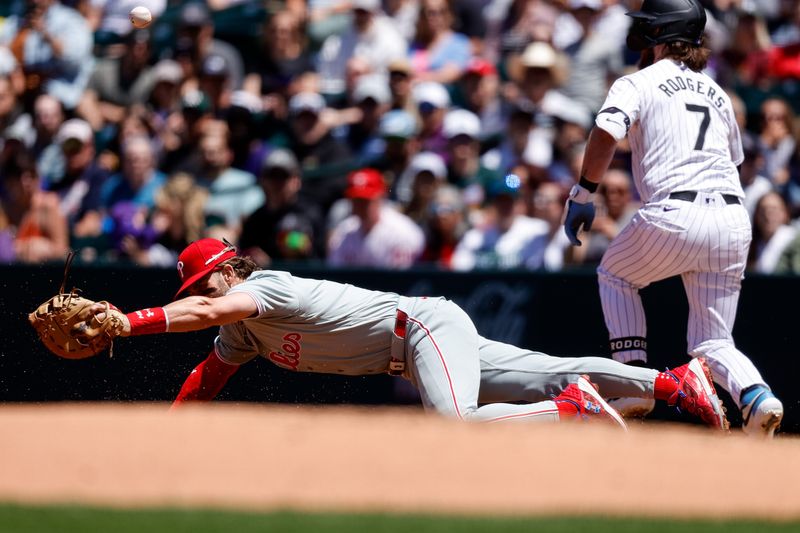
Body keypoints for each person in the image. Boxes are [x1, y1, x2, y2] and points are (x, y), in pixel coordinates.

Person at [93, 237, 727, 431]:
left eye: (207, 280)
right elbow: (211, 373)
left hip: (420, 326)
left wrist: (131, 320)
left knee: (455, 426)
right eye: (196, 286)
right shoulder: (244, 331)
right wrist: (172, 432)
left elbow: (206, 315)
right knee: (550, 366)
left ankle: (573, 413)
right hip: (422, 339)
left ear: (229, 269)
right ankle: (674, 383)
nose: (203, 293)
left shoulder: (267, 288)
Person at [561, 0, 783, 437]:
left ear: (659, 35)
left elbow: (606, 130)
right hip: (733, 218)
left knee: (615, 275)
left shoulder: (637, 82)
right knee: (713, 342)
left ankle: (636, 383)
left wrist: (584, 191)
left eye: (646, 29)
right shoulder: (717, 91)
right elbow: (733, 160)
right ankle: (758, 397)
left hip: (675, 212)